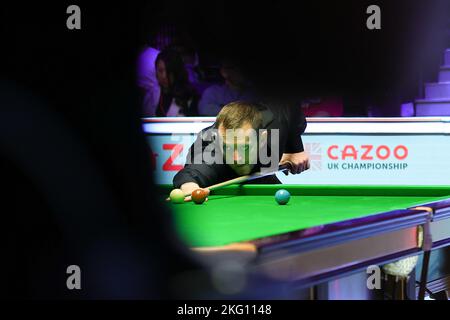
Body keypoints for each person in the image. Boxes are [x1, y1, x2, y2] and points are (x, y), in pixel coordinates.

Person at [173, 101, 310, 197]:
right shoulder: (210, 146)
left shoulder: (275, 125)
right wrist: (189, 186)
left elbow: (288, 103)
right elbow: (195, 170)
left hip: (263, 181)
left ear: (262, 138)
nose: (236, 157)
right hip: (224, 193)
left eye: (244, 146)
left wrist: (295, 148)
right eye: (227, 147)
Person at [143, 48, 199, 116]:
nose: (164, 76)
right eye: (160, 70)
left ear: (176, 71)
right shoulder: (150, 95)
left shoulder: (189, 97)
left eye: (168, 71)